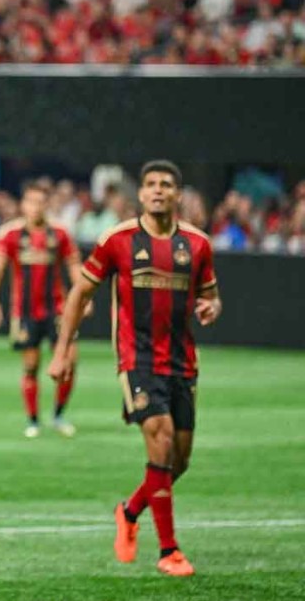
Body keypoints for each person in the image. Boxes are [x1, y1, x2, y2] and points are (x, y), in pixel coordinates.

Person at [49, 160, 221, 577]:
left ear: (178, 195)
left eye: (166, 185)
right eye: (150, 185)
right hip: (137, 360)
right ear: (140, 194)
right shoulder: (117, 240)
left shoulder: (197, 244)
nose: (158, 191)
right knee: (159, 442)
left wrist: (211, 307)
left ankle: (128, 511)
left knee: (178, 462)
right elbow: (78, 294)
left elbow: (211, 296)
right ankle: (169, 551)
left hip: (183, 363)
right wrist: (61, 350)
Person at [0, 182, 86, 438]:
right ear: (23, 205)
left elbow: (75, 267)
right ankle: (33, 420)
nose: (35, 207)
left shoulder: (60, 233)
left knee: (69, 361)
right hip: (26, 311)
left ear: (47, 205)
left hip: (59, 310)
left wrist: (85, 295)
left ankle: (59, 414)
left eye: (40, 202)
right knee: (31, 366)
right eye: (30, 202)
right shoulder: (10, 234)